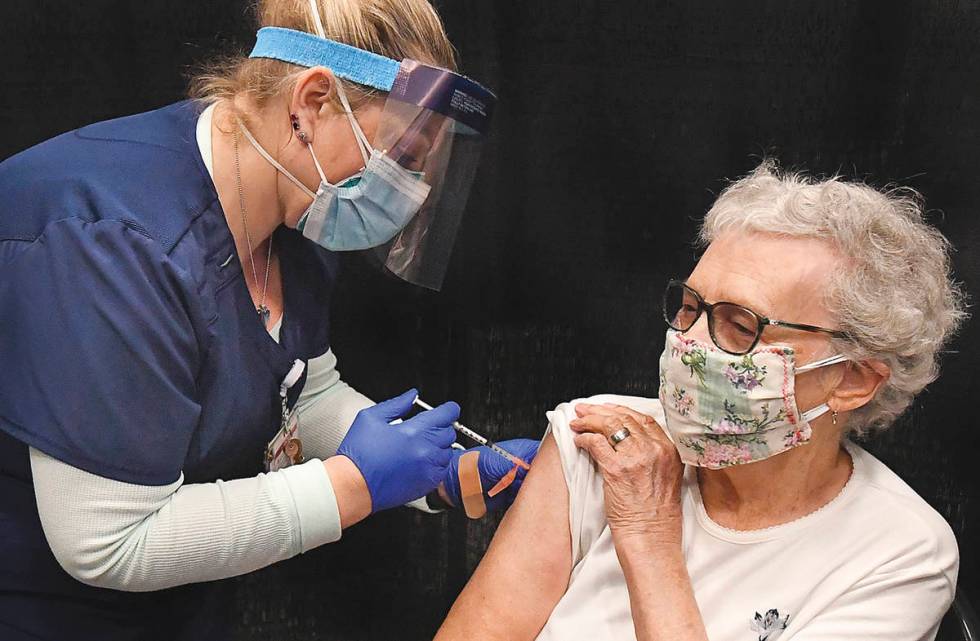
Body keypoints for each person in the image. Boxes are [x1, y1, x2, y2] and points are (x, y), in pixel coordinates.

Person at [0, 1, 538, 639]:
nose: (412, 187)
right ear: (311, 102)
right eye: (404, 156)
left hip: (179, 612)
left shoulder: (297, 207)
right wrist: (353, 486)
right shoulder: (111, 244)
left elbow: (297, 388)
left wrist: (440, 470)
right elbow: (109, 541)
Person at [436, 162, 966, 641]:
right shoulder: (605, 440)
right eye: (691, 307)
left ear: (852, 379)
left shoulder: (900, 554)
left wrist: (648, 536)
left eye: (741, 325)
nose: (692, 343)